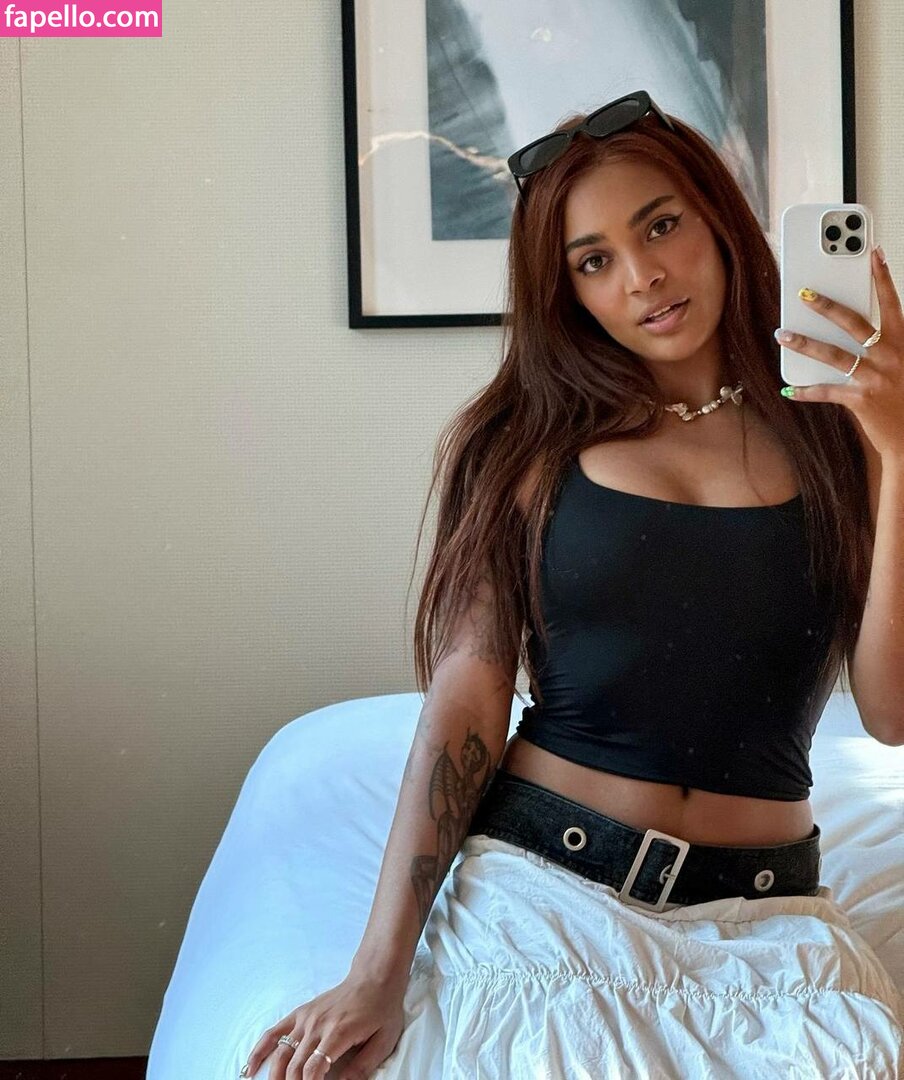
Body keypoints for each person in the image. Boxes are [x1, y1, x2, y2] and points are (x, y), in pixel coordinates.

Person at [241, 91, 904, 1079]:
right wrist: (377, 970)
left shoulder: (843, 432)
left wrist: (901, 451)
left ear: (720, 219)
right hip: (545, 894)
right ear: (567, 292)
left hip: (768, 924)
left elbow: (890, 712)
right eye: (593, 261)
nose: (642, 277)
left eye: (661, 226)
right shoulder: (519, 444)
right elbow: (466, 699)